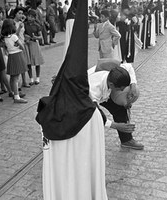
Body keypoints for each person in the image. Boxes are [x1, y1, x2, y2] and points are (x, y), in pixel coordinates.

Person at [37, 0, 108, 199]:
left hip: (60, 185)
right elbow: (96, 159)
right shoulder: (92, 114)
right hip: (82, 184)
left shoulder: (47, 112)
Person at [88, 59, 144, 150]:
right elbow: (95, 114)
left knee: (120, 108)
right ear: (111, 85)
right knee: (89, 121)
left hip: (104, 89)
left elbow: (129, 67)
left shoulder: (116, 71)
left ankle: (126, 140)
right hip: (81, 97)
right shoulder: (93, 91)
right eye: (121, 89)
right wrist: (115, 125)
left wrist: (133, 85)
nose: (122, 91)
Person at [1, 19, 28, 103]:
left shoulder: (5, 37)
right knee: (16, 77)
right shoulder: (14, 36)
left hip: (11, 56)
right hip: (17, 55)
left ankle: (14, 92)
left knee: (13, 77)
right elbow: (22, 46)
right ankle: (17, 97)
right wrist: (19, 46)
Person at [24, 9, 44, 86]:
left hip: (34, 44)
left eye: (32, 17)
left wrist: (35, 37)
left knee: (37, 62)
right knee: (28, 62)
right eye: (28, 16)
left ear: (35, 18)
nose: (29, 18)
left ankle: (37, 77)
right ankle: (31, 78)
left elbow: (40, 37)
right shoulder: (25, 24)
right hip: (27, 44)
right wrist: (26, 37)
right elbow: (23, 34)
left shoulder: (37, 26)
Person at [13, 6, 30, 88]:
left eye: (22, 13)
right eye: (19, 13)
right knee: (18, 65)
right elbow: (14, 36)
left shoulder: (21, 23)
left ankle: (24, 81)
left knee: (24, 63)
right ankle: (18, 83)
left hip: (23, 44)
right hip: (16, 46)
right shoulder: (12, 23)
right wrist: (19, 27)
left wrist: (27, 38)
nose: (21, 15)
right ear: (15, 14)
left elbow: (22, 34)